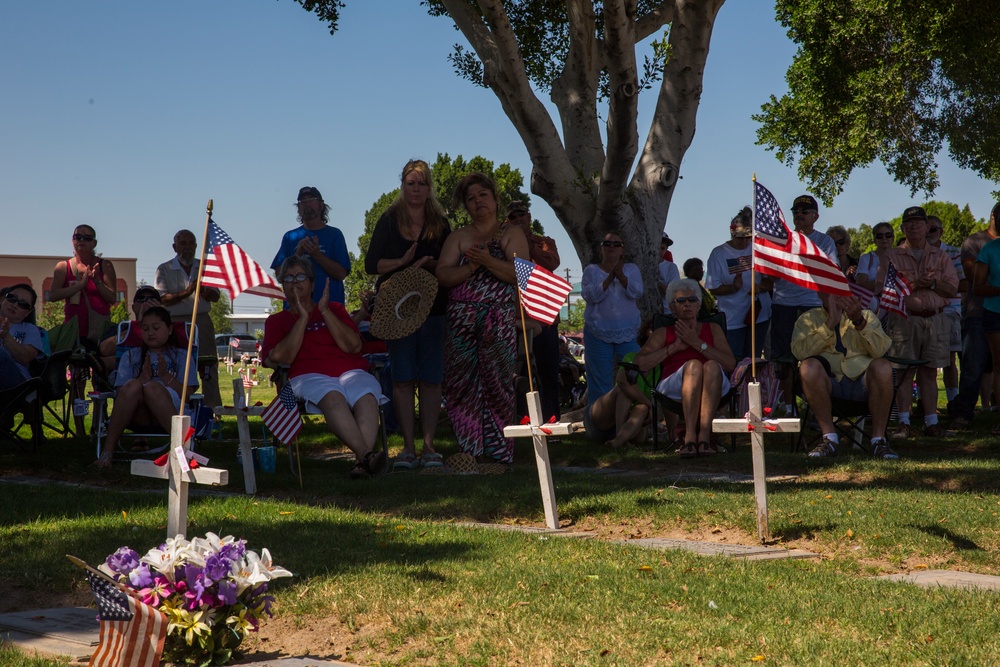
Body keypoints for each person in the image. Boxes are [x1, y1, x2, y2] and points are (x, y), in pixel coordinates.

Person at [261, 257, 387, 479]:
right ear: (283, 285)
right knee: (332, 396)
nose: (295, 283)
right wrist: (302, 319)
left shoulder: (335, 309)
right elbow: (279, 358)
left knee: (367, 395)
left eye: (300, 276)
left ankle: (362, 463)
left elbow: (354, 346)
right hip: (308, 376)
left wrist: (325, 312)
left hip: (350, 371)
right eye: (288, 278)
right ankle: (367, 456)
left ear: (311, 283)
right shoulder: (277, 321)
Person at [436, 172, 530, 464]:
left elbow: (521, 275)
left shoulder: (510, 233)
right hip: (460, 321)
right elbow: (443, 274)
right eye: (471, 198)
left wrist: (487, 260)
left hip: (497, 319)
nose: (478, 202)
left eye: (483, 195)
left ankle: (499, 452)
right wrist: (471, 269)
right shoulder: (459, 236)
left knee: (498, 384)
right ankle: (470, 448)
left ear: (495, 198)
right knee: (460, 384)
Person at [365, 159, 451, 470]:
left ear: (430, 189)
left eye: (421, 184)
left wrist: (429, 263)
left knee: (431, 379)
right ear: (402, 186)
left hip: (434, 308)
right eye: (410, 183)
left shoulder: (441, 224)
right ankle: (407, 449)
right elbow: (371, 264)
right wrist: (403, 261)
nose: (415, 189)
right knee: (401, 378)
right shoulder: (389, 220)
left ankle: (429, 447)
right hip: (396, 311)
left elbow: (448, 266)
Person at [876, 206, 959, 439]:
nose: (914, 227)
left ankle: (932, 423)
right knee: (904, 371)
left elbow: (953, 289)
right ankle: (904, 423)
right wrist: (914, 282)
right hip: (904, 319)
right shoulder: (892, 256)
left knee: (930, 372)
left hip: (935, 318)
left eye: (919, 222)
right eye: (909, 223)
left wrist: (931, 285)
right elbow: (882, 289)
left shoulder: (941, 256)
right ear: (902, 228)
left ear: (926, 226)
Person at [635, 279, 735, 457]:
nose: (687, 304)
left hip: (714, 383)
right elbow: (640, 363)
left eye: (692, 300)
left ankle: (703, 436)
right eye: (681, 301)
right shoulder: (662, 333)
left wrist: (697, 343)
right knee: (694, 366)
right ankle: (689, 436)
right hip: (673, 387)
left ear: (699, 305)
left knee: (711, 365)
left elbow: (729, 363)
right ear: (672, 308)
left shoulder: (712, 328)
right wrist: (674, 348)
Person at [791, 292, 897, 459]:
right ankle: (829, 439)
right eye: (830, 292)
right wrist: (829, 324)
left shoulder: (866, 315)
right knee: (808, 367)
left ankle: (878, 440)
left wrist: (859, 322)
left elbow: (880, 350)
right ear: (820, 294)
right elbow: (800, 352)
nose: (836, 296)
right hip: (828, 385)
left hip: (863, 384)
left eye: (840, 291)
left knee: (883, 366)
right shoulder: (808, 319)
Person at [95, 307, 199, 468]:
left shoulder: (182, 356)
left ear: (170, 329)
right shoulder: (130, 356)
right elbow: (121, 394)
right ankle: (107, 453)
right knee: (134, 385)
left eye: (156, 328)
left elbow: (189, 394)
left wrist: (167, 378)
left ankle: (181, 450)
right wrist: (142, 379)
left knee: (152, 388)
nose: (150, 333)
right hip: (137, 413)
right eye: (145, 329)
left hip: (169, 410)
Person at [769, 195, 837, 416]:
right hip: (783, 305)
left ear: (815, 216)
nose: (799, 214)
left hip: (813, 305)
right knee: (785, 358)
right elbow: (768, 273)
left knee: (814, 357)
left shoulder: (825, 241)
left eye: (805, 211)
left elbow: (832, 273)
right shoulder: (781, 240)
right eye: (796, 211)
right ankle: (789, 408)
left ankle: (815, 407)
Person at [507, 198, 563, 423]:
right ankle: (522, 419)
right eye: (513, 216)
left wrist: (529, 245)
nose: (518, 219)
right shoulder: (505, 245)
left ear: (529, 217)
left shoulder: (544, 242)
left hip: (545, 316)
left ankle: (552, 420)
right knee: (519, 374)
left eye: (522, 214)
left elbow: (552, 264)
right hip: (517, 318)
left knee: (548, 371)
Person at [155, 230, 222, 408]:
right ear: (174, 246)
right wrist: (187, 292)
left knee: (208, 364)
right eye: (183, 243)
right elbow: (162, 299)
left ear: (196, 246)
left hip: (201, 320)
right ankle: (177, 407)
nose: (187, 247)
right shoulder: (165, 268)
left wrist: (204, 291)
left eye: (191, 243)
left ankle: (212, 409)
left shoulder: (205, 267)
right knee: (176, 365)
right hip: (175, 323)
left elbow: (216, 296)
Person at [950, 202, 1000, 428]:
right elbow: (972, 276)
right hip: (978, 311)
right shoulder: (975, 242)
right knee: (973, 365)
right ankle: (963, 412)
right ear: (992, 216)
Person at [582, 232, 644, 405]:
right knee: (600, 382)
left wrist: (622, 277)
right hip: (597, 333)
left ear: (622, 250)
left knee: (634, 377)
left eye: (616, 244)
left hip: (627, 333)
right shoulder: (591, 270)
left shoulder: (632, 269)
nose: (612, 247)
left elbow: (637, 292)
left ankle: (637, 416)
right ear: (601, 248)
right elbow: (590, 296)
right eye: (607, 244)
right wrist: (610, 278)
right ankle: (600, 423)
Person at [706, 207, 773, 360]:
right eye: (740, 237)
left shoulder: (758, 249)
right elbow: (713, 288)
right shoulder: (718, 253)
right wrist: (733, 288)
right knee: (734, 363)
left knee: (754, 361)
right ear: (732, 232)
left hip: (758, 317)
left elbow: (772, 280)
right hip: (733, 320)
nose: (744, 241)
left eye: (748, 237)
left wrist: (760, 287)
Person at [271, 187, 351, 306]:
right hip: (296, 310)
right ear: (298, 208)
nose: (307, 203)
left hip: (330, 310)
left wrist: (317, 255)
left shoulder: (335, 235)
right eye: (302, 201)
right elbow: (279, 276)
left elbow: (341, 274)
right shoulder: (289, 237)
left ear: (321, 205)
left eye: (311, 199)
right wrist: (297, 254)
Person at [49, 224, 118, 345]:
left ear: (94, 243)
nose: (81, 240)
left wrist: (97, 281)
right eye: (78, 236)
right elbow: (53, 295)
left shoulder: (104, 265)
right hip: (73, 331)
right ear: (72, 241)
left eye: (87, 237)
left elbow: (112, 298)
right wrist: (80, 286)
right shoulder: (63, 267)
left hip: (99, 331)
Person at [926, 215, 966, 408]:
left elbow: (962, 283)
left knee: (949, 358)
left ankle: (953, 402)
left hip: (949, 310)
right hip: (924, 310)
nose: (928, 233)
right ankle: (925, 403)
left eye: (933, 229)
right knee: (924, 360)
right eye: (926, 229)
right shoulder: (917, 252)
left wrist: (935, 286)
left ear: (941, 231)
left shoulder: (954, 252)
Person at [96, 285, 163, 380]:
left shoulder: (168, 329)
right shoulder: (121, 327)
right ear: (133, 307)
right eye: (141, 299)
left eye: (152, 299)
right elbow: (104, 349)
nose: (146, 302)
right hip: (125, 376)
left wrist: (159, 318)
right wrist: (137, 327)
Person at [0, 284, 43, 391]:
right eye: (12, 298)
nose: (15, 305)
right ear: (3, 300)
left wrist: (7, 336)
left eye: (23, 304)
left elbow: (26, 357)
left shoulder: (30, 330)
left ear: (28, 311)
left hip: (16, 382)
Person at [855, 221, 895, 293]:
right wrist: (887, 282)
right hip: (873, 302)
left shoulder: (901, 257)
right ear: (874, 240)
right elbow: (860, 285)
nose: (884, 238)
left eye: (888, 235)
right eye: (879, 236)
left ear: (893, 238)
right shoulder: (866, 258)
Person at [657, 237, 680, 313]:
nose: (659, 251)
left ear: (666, 249)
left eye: (662, 248)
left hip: (666, 312)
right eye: (657, 247)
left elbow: (673, 293)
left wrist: (657, 283)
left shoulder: (671, 267)